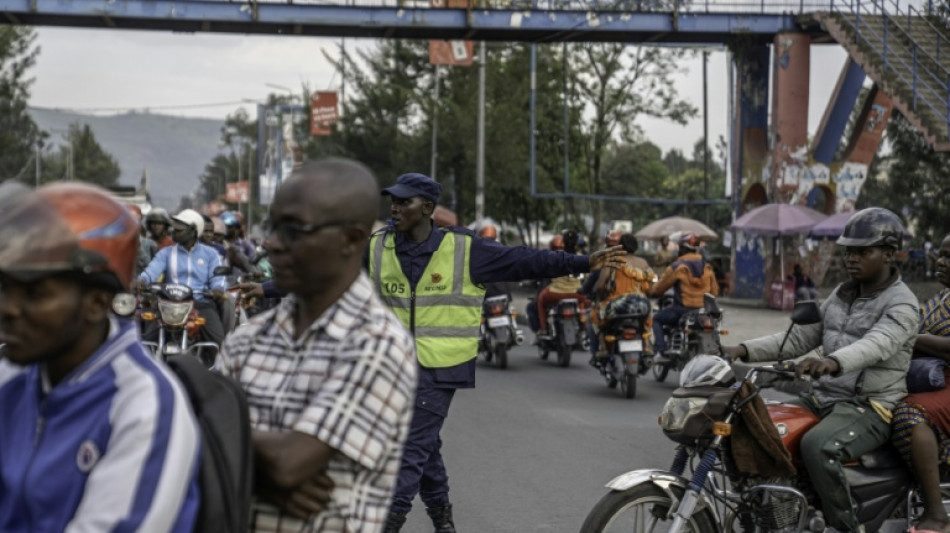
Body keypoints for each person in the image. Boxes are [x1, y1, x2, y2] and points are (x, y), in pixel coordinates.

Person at [369, 172, 622, 533]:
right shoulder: (379, 246)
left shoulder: (465, 249)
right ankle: (444, 521)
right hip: (396, 367)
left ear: (426, 208)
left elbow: (526, 260)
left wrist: (582, 262)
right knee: (426, 451)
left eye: (403, 201)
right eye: (392, 199)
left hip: (442, 367)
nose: (394, 207)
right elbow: (329, 273)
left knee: (409, 450)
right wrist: (268, 290)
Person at [214, 158, 418, 532]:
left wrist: (221, 444)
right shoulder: (246, 339)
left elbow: (290, 463)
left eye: (294, 230)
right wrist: (260, 475)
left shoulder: (376, 345)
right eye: (274, 226)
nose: (272, 243)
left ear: (352, 239)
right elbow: (176, 438)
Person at [0, 182, 200, 532]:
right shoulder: (11, 377)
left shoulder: (143, 406)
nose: (8, 309)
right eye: (4, 288)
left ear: (95, 304)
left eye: (34, 293)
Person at [722, 207, 919, 533]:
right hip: (824, 396)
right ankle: (772, 511)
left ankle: (845, 525)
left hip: (870, 405)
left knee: (818, 446)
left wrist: (833, 361)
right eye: (848, 251)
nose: (851, 258)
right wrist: (740, 349)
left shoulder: (902, 303)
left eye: (862, 251)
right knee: (757, 423)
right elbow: (800, 337)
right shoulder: (841, 294)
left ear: (888, 254)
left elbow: (879, 343)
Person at [891, 233, 950, 533]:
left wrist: (911, 339)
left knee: (908, 414)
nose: (941, 261)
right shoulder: (941, 297)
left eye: (949, 257)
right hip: (927, 376)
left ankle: (937, 514)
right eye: (940, 254)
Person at [138, 208, 228, 346]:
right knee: (146, 342)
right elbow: (151, 271)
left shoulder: (211, 254)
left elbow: (218, 278)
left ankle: (216, 366)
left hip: (200, 304)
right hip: (167, 305)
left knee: (219, 343)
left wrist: (218, 289)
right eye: (174, 229)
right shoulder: (166, 253)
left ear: (193, 231)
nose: (173, 232)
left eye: (179, 230)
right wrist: (142, 281)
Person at [649, 233, 719, 362]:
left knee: (656, 320)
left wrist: (652, 292)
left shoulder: (676, 267)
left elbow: (659, 288)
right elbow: (714, 292)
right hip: (703, 312)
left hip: (682, 311)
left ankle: (662, 352)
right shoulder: (707, 267)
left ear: (682, 249)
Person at [591, 233, 655, 364]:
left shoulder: (614, 260)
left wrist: (598, 291)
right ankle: (647, 345)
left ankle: (603, 348)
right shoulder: (643, 263)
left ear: (620, 246)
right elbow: (652, 286)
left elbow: (599, 285)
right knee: (646, 321)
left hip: (618, 304)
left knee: (595, 315)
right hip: (642, 304)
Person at [537, 229, 588, 335]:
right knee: (587, 301)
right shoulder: (582, 257)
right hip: (576, 294)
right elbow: (587, 277)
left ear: (563, 242)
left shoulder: (554, 257)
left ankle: (544, 328)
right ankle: (584, 324)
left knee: (541, 300)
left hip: (555, 293)